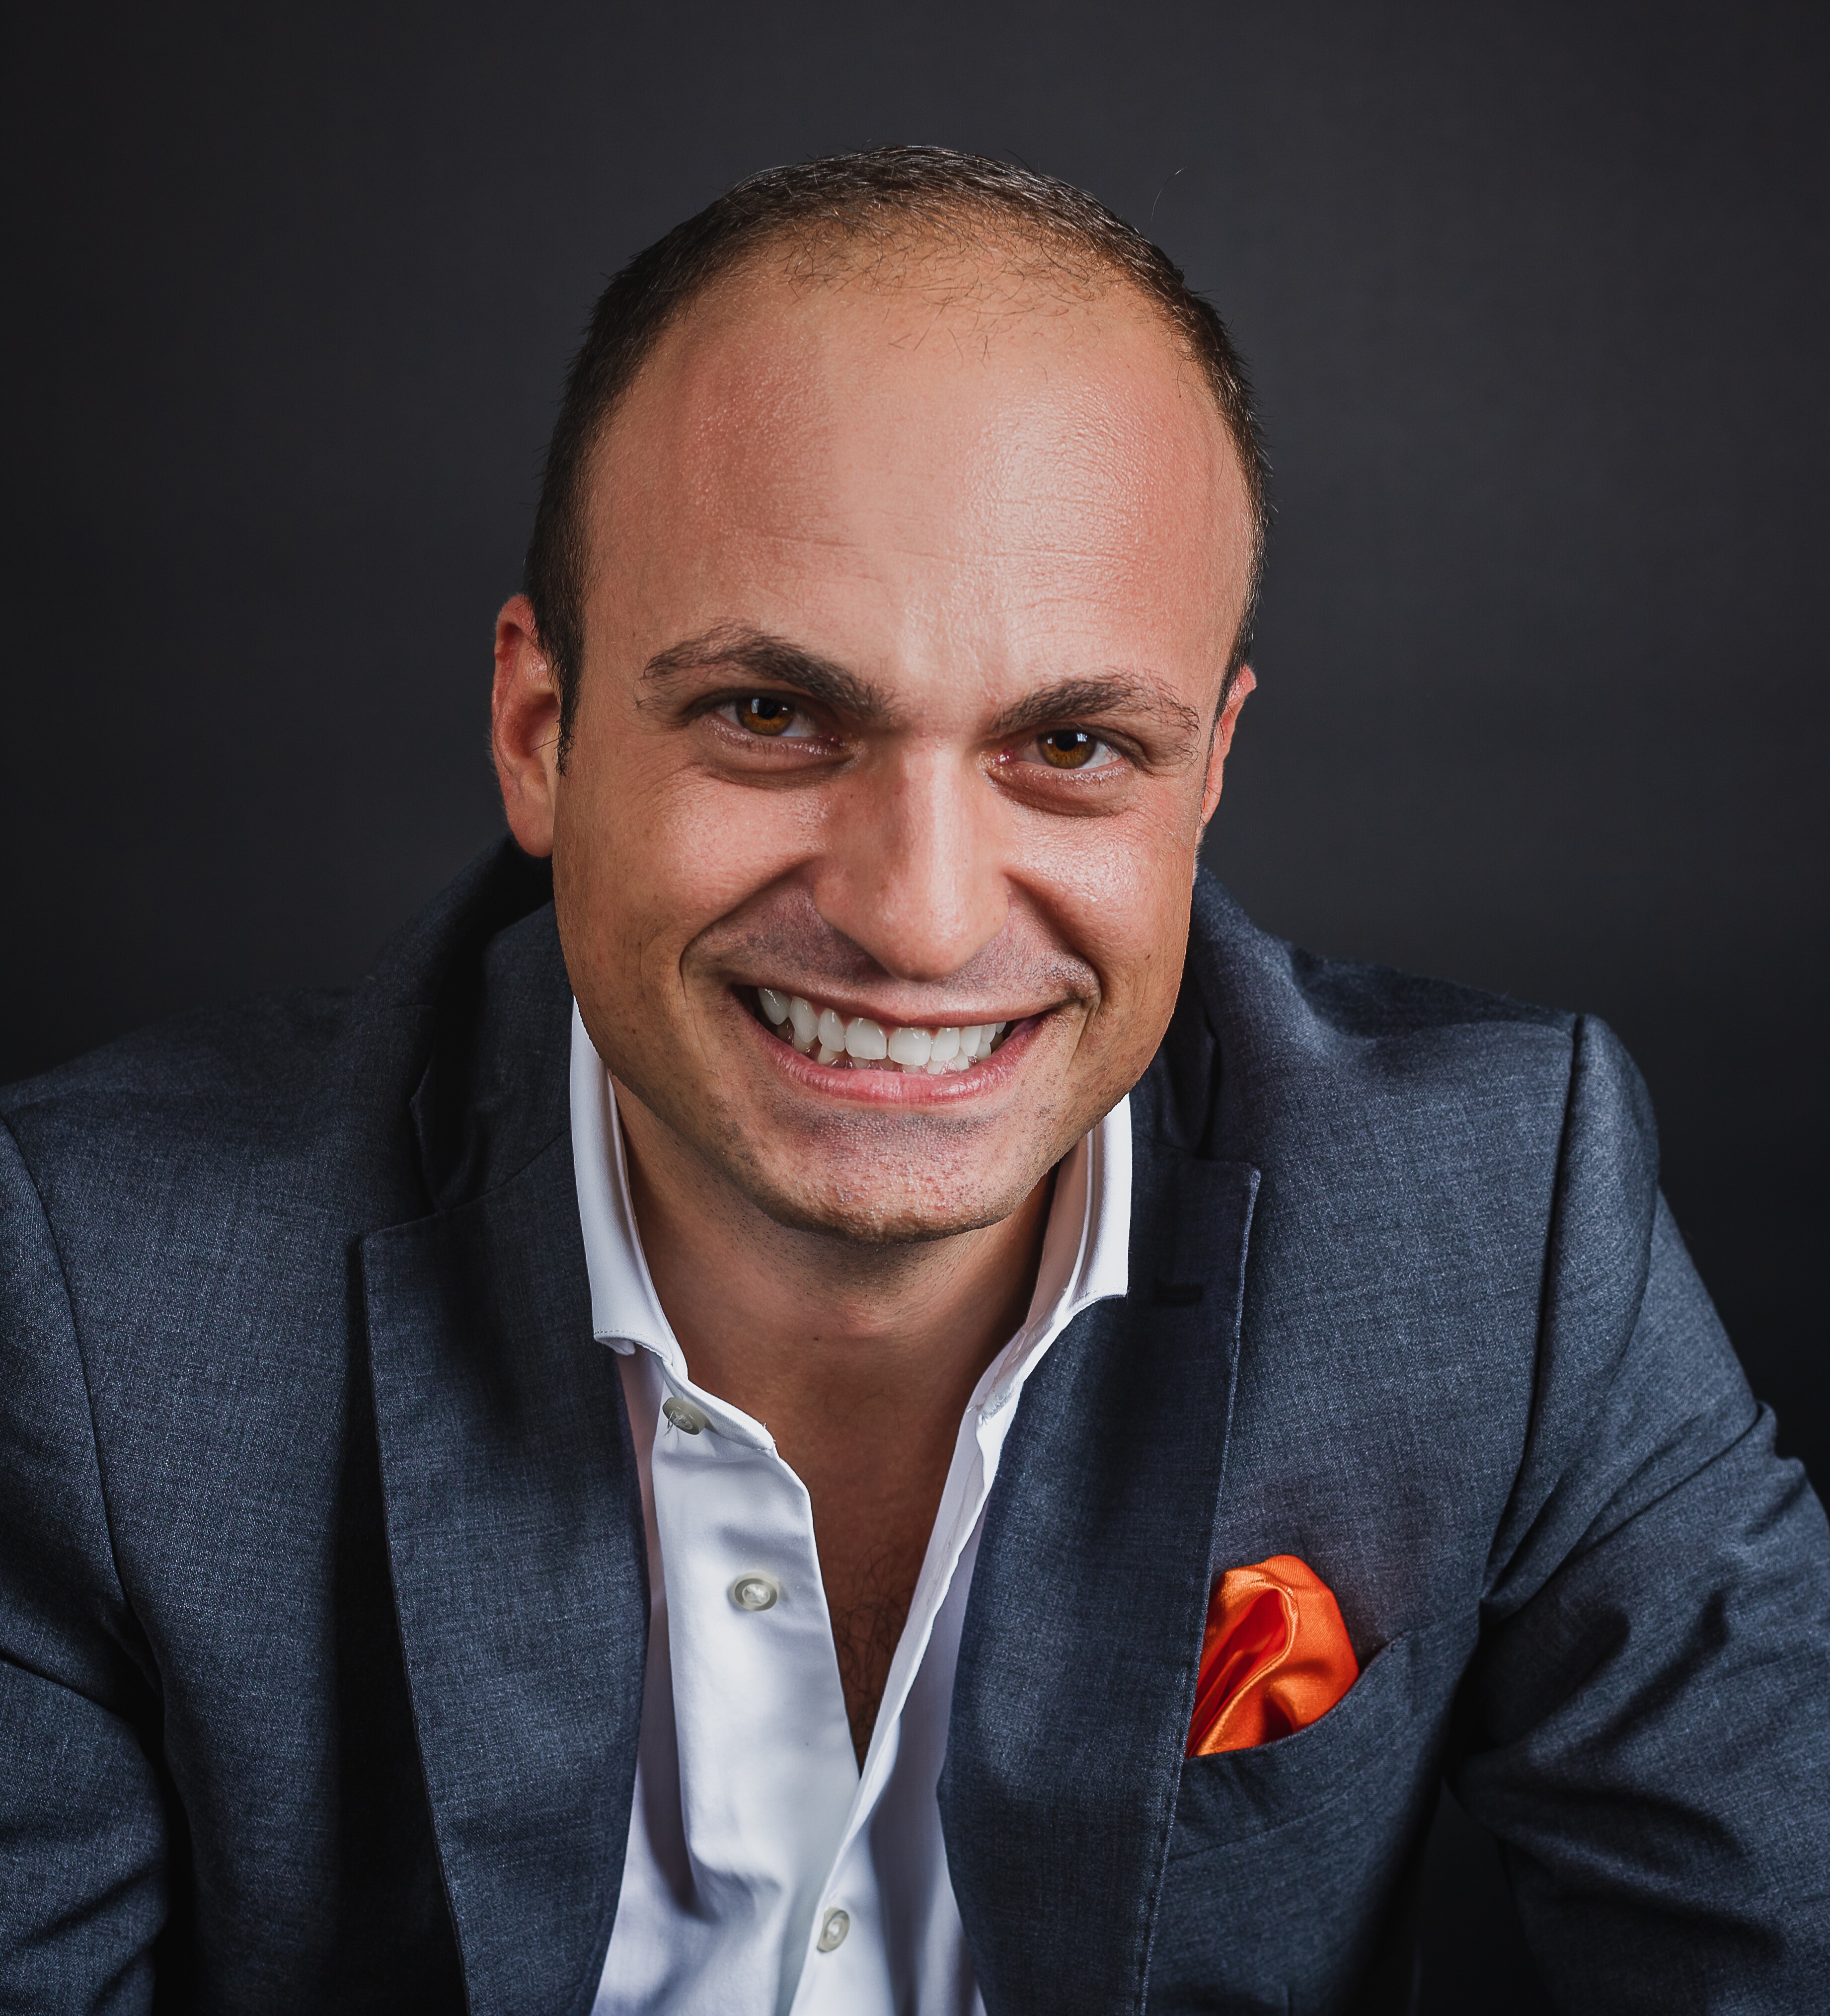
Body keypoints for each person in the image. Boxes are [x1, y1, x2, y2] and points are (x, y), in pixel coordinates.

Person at [1, 147, 1824, 2016]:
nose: (921, 919)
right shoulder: (95, 1301)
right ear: (541, 733)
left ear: (1206, 772)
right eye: (771, 715)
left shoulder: (1499, 1225)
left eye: (1073, 743)